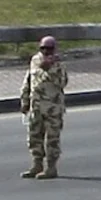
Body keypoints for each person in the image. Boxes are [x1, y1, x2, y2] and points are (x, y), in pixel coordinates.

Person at [20, 35, 67, 179]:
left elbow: (62, 83)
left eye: (49, 49)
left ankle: (51, 168)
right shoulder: (35, 60)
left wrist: (50, 70)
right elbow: (29, 81)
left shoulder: (58, 65)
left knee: (52, 139)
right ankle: (37, 164)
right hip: (36, 107)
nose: (46, 52)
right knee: (34, 137)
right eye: (43, 48)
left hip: (52, 108)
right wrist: (24, 101)